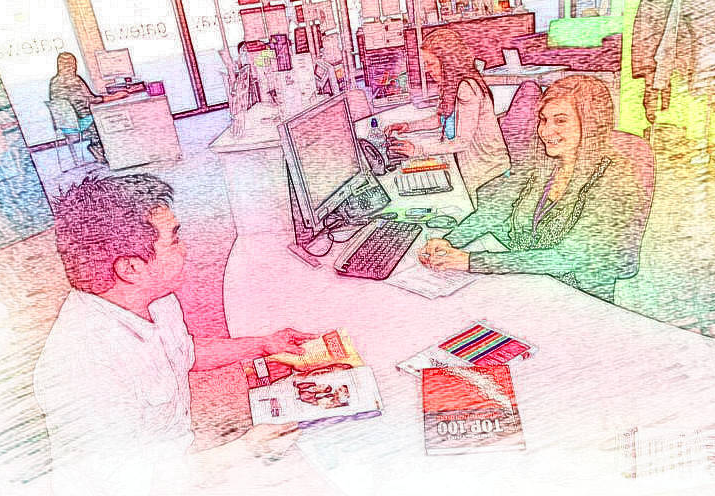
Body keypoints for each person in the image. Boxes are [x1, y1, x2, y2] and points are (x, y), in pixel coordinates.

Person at [33, 173, 317, 495]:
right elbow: (132, 482)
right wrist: (246, 449)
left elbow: (184, 351)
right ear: (130, 269)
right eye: (174, 240)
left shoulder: (155, 298)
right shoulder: (81, 368)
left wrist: (263, 345)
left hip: (183, 460)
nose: (185, 249)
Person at [417, 76, 642, 302]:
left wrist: (470, 261)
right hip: (529, 278)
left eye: (560, 121)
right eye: (544, 120)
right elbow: (495, 210)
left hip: (576, 296)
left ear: (591, 124)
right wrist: (451, 241)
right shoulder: (546, 161)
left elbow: (565, 257)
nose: (546, 131)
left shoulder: (616, 178)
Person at [384, 29, 510, 205]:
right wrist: (408, 126)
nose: (427, 70)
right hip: (474, 166)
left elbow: (462, 142)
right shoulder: (451, 85)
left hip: (488, 173)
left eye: (430, 63)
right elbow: (441, 118)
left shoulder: (466, 88)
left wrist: (418, 150)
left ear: (447, 62)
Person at [48, 52, 107, 165]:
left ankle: (97, 148)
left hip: (64, 125)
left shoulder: (54, 82)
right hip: (79, 123)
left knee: (93, 117)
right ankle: (97, 148)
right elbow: (91, 99)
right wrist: (114, 96)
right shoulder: (75, 80)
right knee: (102, 119)